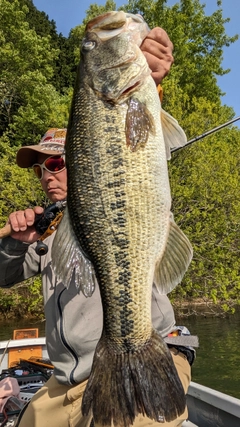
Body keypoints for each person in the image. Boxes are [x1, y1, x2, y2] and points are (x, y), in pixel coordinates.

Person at [0, 27, 195, 427]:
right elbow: (4, 277)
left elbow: (133, 140)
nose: (46, 175)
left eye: (55, 163)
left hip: (150, 354)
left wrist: (150, 87)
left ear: (85, 156)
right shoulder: (47, 229)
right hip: (65, 381)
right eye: (39, 169)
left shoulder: (122, 187)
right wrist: (15, 246)